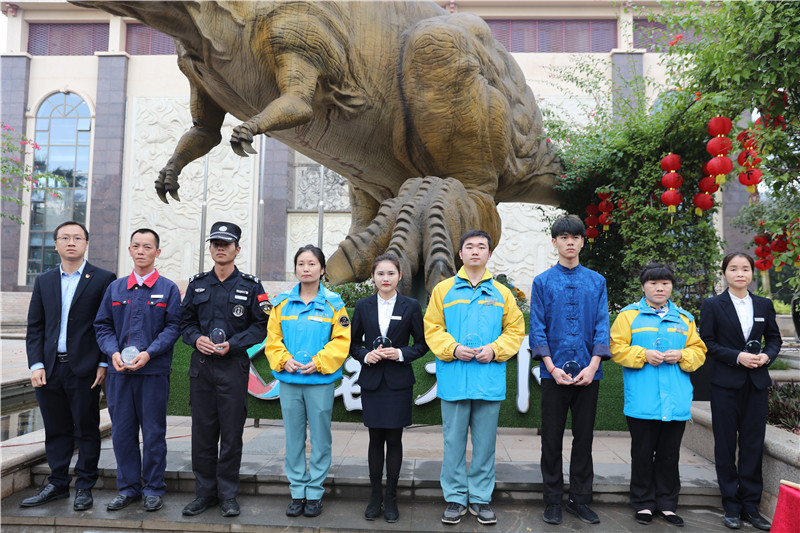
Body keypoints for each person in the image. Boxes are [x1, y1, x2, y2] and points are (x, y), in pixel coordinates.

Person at [424, 229, 525, 526]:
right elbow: (433, 328)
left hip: (487, 379)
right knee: (453, 442)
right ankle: (456, 498)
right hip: (454, 378)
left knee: (485, 444)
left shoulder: (501, 293)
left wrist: (495, 350)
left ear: (489, 254)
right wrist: (453, 348)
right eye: (469, 246)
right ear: (460, 254)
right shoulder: (443, 290)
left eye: (482, 247)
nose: (475, 251)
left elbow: (515, 330)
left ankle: (480, 498)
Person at [22, 221, 116, 511]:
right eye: (65, 238)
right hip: (49, 368)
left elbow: (108, 324)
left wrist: (103, 362)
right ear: (56, 244)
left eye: (77, 238)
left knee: (87, 428)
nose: (71, 242)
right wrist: (36, 364)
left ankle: (85, 486)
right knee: (56, 429)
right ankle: (57, 483)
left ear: (86, 243)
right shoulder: (44, 280)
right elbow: (35, 326)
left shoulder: (103, 279)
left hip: (85, 368)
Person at [179, 221, 270, 517]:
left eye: (226, 244)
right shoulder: (197, 284)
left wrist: (234, 344)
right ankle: (204, 494)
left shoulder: (251, 286)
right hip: (202, 368)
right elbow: (185, 323)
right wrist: (196, 339)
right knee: (202, 434)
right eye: (215, 243)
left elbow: (262, 326)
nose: (220, 248)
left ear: (237, 249)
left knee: (231, 435)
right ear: (210, 248)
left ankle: (228, 495)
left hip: (233, 368)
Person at [528, 214, 611, 526]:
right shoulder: (542, 282)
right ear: (555, 242)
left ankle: (579, 499)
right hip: (554, 374)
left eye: (575, 237)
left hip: (589, 374)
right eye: (563, 237)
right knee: (551, 438)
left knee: (584, 438)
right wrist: (551, 367)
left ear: (583, 242)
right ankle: (552, 500)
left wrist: (593, 366)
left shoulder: (597, 281)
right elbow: (537, 328)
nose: (570, 242)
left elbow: (602, 325)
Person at [610, 263, 707, 527]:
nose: (659, 288)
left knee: (669, 455)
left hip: (675, 400)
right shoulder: (628, 316)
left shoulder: (684, 318)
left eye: (665, 283)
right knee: (642, 453)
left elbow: (699, 351)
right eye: (653, 283)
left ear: (672, 287)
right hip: (643, 399)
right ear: (643, 287)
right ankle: (643, 503)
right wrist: (643, 354)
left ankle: (667, 505)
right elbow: (616, 348)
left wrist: (682, 355)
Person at [94, 228, 182, 512]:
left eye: (147, 246)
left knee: (154, 433)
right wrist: (113, 352)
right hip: (120, 373)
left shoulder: (168, 289)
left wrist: (149, 353)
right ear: (130, 250)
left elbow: (173, 327)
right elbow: (103, 325)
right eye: (136, 246)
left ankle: (153, 488)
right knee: (122, 433)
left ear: (158, 252)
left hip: (153, 373)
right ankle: (128, 488)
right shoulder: (116, 288)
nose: (141, 251)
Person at [264, 245, 351, 518]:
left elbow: (341, 341)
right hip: (290, 381)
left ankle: (314, 493)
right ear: (296, 268)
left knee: (321, 438)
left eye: (312, 264)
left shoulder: (334, 304)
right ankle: (297, 491)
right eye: (301, 263)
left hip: (320, 382)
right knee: (294, 438)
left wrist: (320, 362)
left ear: (322, 269)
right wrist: (283, 360)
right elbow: (273, 339)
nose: (306, 268)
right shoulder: (281, 304)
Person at [700, 252, 782, 531]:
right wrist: (737, 356)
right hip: (725, 384)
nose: (740, 274)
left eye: (745, 269)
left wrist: (767, 356)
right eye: (733, 269)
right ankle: (731, 506)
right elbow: (708, 342)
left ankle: (750, 506)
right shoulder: (713, 305)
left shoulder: (764, 304)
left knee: (753, 445)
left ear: (751, 273)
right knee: (724, 446)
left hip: (756, 384)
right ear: (724, 273)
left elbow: (774, 339)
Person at [349, 253, 429, 523]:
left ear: (400, 276)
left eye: (391, 273)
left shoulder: (411, 306)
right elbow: (352, 345)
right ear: (373, 277)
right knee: (375, 439)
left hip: (398, 382)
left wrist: (400, 353)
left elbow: (422, 345)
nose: (385, 278)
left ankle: (392, 497)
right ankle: (375, 497)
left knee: (394, 439)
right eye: (380, 273)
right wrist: (365, 355)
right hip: (373, 381)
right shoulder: (363, 306)